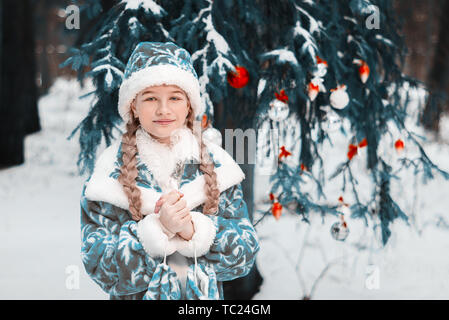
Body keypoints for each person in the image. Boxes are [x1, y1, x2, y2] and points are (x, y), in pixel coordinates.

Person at [79, 41, 260, 300]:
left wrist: (195, 231)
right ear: (133, 105)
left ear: (189, 105)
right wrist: (155, 230)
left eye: (175, 97)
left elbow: (245, 253)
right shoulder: (108, 176)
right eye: (151, 98)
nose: (163, 109)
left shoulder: (217, 168)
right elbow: (100, 267)